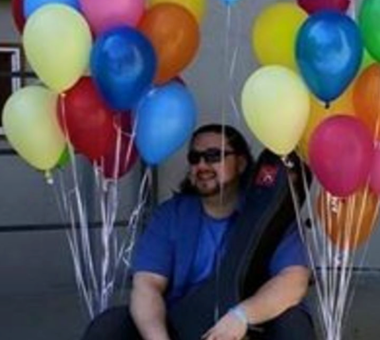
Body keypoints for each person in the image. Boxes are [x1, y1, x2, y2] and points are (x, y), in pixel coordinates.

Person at [81, 124, 315, 340]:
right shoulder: (171, 215)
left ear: (241, 163)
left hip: (247, 323)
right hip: (182, 323)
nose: (202, 165)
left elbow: (294, 280)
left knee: (293, 322)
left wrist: (242, 315)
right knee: (110, 325)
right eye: (195, 158)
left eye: (214, 156)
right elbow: (147, 285)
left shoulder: (266, 213)